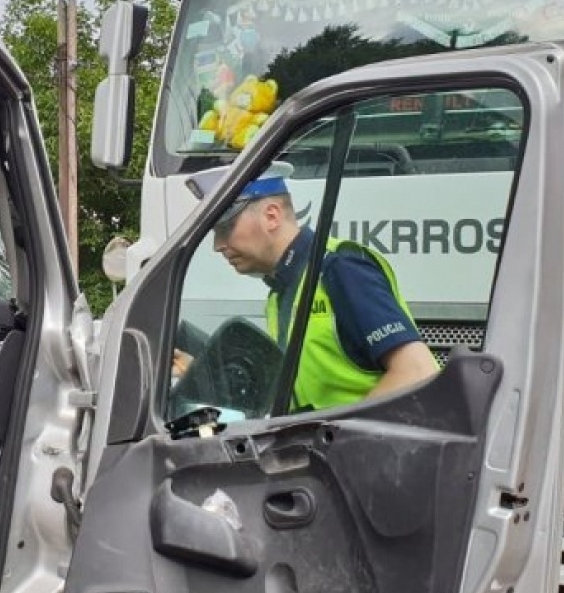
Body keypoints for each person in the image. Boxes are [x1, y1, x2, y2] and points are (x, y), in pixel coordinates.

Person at [181, 161, 439, 412]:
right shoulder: (281, 290)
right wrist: (204, 375)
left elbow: (417, 371)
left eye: (225, 228)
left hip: (365, 452)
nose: (217, 245)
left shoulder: (339, 268)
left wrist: (340, 441)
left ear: (272, 216)